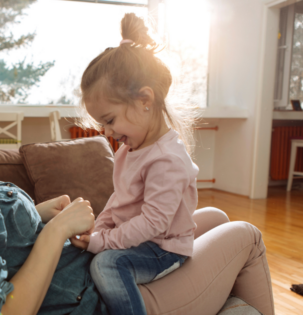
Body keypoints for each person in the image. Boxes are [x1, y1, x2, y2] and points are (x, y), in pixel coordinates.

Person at [0, 31, 275, 315]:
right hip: (105, 291)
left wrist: (38, 215)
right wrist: (59, 232)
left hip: (98, 266)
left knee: (216, 218)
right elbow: (1, 308)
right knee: (247, 236)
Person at [72, 13, 199, 315]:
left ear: (145, 100)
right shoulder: (131, 149)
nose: (106, 132)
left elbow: (154, 222)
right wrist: (98, 228)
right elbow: (121, 197)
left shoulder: (166, 158)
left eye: (109, 120)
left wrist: (104, 242)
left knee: (106, 263)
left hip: (163, 248)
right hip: (143, 238)